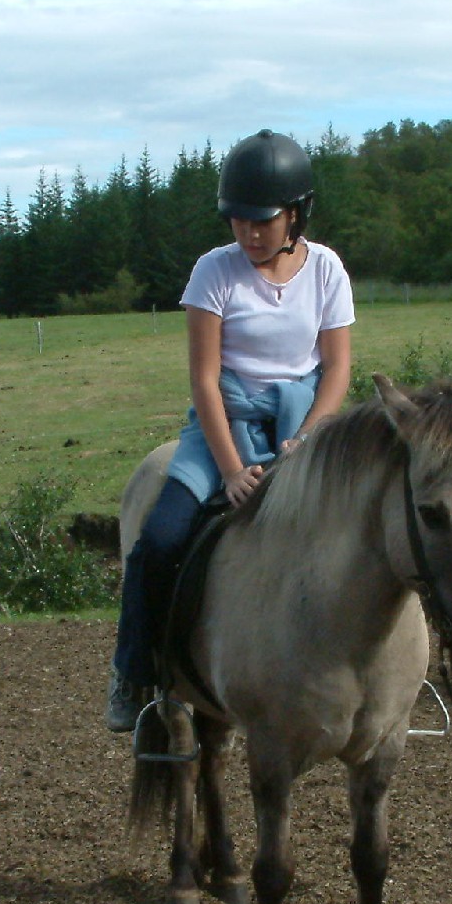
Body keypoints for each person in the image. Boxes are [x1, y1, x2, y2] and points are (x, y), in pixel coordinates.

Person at [106, 129, 356, 731]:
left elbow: (339, 367)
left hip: (303, 423)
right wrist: (229, 470)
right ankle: (134, 672)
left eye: (261, 221)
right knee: (160, 541)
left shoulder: (326, 270)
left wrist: (314, 434)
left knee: (373, 526)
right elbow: (203, 380)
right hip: (223, 423)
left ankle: (391, 672)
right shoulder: (212, 272)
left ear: (295, 214)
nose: (247, 233)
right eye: (236, 221)